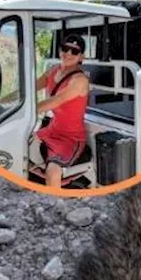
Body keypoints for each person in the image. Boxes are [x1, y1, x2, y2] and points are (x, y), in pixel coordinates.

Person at [34, 32, 90, 189]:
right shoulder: (53, 71)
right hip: (51, 130)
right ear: (60, 50)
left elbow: (56, 100)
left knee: (53, 171)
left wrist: (27, 110)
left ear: (81, 57)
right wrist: (2, 101)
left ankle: (53, 204)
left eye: (74, 51)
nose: (68, 53)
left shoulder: (79, 80)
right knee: (20, 146)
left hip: (70, 138)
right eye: (65, 48)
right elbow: (30, 88)